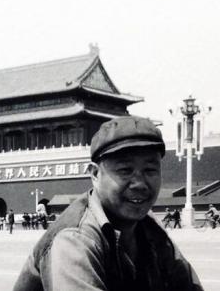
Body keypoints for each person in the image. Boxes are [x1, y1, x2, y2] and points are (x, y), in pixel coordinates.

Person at [13, 116, 203, 291]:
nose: (139, 184)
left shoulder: (149, 228)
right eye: (125, 170)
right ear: (95, 174)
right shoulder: (74, 239)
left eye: (150, 170)